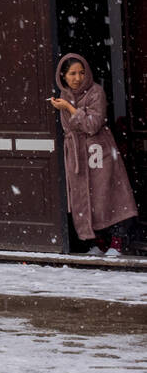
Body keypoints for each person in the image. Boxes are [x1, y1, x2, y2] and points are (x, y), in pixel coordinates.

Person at [49, 53, 138, 257]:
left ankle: (117, 242)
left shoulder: (96, 92)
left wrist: (71, 109)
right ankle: (99, 242)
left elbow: (92, 125)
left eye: (81, 72)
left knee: (108, 195)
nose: (77, 78)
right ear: (63, 75)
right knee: (85, 198)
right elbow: (70, 128)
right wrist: (71, 110)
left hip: (100, 153)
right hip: (78, 154)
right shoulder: (63, 96)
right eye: (72, 73)